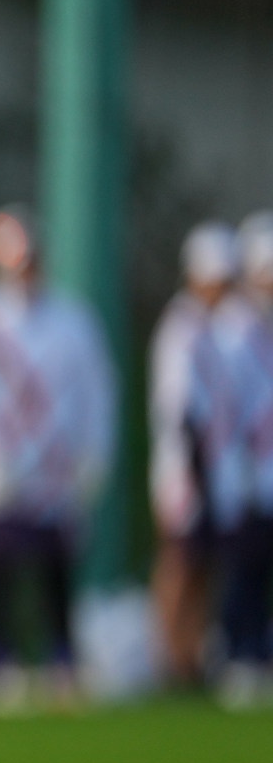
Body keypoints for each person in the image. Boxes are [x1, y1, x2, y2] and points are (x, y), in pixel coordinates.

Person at [0, 206, 116, 715]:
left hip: (57, 464)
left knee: (56, 567)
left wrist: (94, 453)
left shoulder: (73, 321)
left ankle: (63, 660)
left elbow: (96, 391)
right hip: (1, 468)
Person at [149, 222, 238, 688]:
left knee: (202, 564)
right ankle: (167, 655)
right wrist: (196, 473)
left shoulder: (211, 329)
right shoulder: (182, 329)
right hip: (185, 471)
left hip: (208, 467)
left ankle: (191, 654)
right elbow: (181, 407)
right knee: (180, 561)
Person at [200, 215, 273, 709]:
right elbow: (223, 415)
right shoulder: (233, 332)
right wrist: (230, 473)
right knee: (244, 567)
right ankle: (236, 654)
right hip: (246, 472)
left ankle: (258, 651)